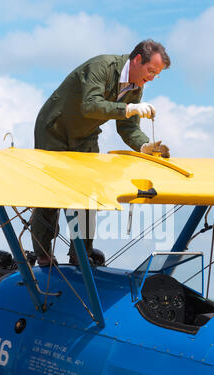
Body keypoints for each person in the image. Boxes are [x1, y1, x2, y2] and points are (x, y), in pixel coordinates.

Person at [30, 39, 171, 267]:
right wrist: (127, 109)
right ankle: (43, 254)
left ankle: (80, 254)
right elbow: (90, 105)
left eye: (157, 74)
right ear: (137, 60)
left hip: (85, 135)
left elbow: (128, 127)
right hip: (54, 129)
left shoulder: (136, 85)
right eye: (150, 71)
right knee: (52, 194)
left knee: (89, 192)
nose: (152, 77)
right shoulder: (101, 67)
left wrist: (145, 145)